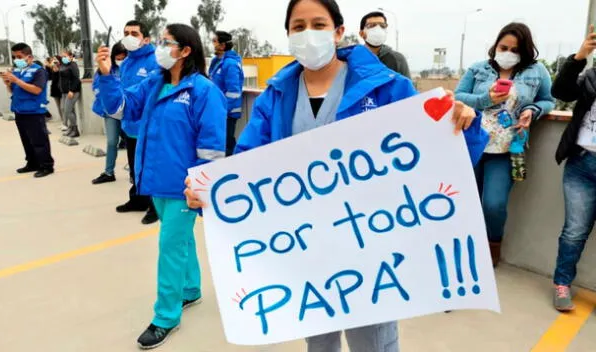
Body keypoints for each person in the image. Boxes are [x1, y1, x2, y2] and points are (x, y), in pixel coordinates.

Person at [185, 1, 488, 351]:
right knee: (319, 337)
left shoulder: (387, 88)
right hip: (308, 247)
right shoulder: (276, 97)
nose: (307, 34)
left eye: (318, 24)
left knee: (372, 340)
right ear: (288, 35)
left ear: (339, 32)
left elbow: (430, 151)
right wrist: (212, 195)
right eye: (298, 27)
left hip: (371, 245)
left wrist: (461, 122)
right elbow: (248, 169)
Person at [96, 23, 226, 349]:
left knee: (170, 247)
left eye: (167, 43)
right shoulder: (155, 84)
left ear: (185, 51)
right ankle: (191, 290)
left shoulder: (204, 91)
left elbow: (211, 147)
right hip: (154, 180)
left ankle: (165, 317)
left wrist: (200, 185)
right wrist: (108, 76)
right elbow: (119, 108)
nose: (160, 47)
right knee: (178, 239)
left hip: (183, 186)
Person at [455, 22, 554, 267]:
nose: (508, 53)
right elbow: (458, 97)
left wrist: (532, 110)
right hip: (473, 144)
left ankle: (493, 245)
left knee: (494, 204)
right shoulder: (478, 69)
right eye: (503, 47)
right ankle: (465, 248)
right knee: (466, 201)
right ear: (495, 45)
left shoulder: (536, 71)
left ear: (525, 51)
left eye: (515, 50)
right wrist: (485, 98)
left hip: (506, 149)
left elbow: (548, 100)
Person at [550, 25, 596, 312]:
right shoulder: (591, 76)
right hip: (582, 165)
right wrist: (581, 55)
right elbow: (561, 90)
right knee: (574, 232)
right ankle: (561, 284)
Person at [114, 20, 161, 225]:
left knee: (150, 167)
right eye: (126, 33)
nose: (129, 36)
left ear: (146, 39)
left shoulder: (156, 60)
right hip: (130, 125)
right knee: (134, 167)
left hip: (148, 125)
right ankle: (137, 199)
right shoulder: (126, 63)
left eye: (134, 33)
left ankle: (155, 206)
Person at [2, 43, 55, 178]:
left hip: (34, 111)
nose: (16, 60)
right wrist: (8, 84)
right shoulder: (17, 71)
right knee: (26, 139)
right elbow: (13, 90)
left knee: (39, 140)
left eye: (19, 56)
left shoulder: (39, 71)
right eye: (14, 57)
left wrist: (17, 81)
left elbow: (37, 89)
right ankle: (32, 163)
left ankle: (46, 165)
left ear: (29, 57)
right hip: (19, 110)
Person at [92, 42, 128, 185]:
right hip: (111, 112)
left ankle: (135, 173)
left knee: (133, 143)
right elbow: (96, 87)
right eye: (118, 57)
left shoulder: (130, 68)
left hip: (128, 111)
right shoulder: (105, 69)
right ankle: (109, 172)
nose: (121, 60)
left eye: (124, 57)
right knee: (112, 141)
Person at [210, 30, 245, 156]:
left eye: (214, 41)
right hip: (217, 110)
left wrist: (224, 111)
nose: (212, 44)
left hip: (227, 113)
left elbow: (233, 92)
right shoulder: (217, 62)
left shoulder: (231, 64)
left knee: (227, 143)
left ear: (223, 45)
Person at [358, 11, 410, 78]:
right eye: (371, 26)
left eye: (382, 26)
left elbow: (407, 87)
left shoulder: (398, 59)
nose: (378, 29)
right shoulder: (354, 59)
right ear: (361, 34)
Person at [59, 49, 81, 138]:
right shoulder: (63, 65)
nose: (63, 58)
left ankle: (75, 130)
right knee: (64, 109)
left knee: (67, 110)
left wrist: (72, 90)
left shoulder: (73, 65)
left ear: (71, 56)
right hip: (64, 92)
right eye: (62, 57)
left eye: (65, 56)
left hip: (72, 91)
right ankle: (71, 128)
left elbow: (76, 78)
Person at [45, 56, 64, 124]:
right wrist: (51, 65)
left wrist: (57, 65)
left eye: (56, 59)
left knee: (63, 107)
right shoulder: (52, 68)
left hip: (62, 89)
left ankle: (66, 122)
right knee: (59, 107)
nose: (54, 61)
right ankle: (63, 121)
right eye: (53, 59)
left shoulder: (63, 68)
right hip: (55, 89)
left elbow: (59, 71)